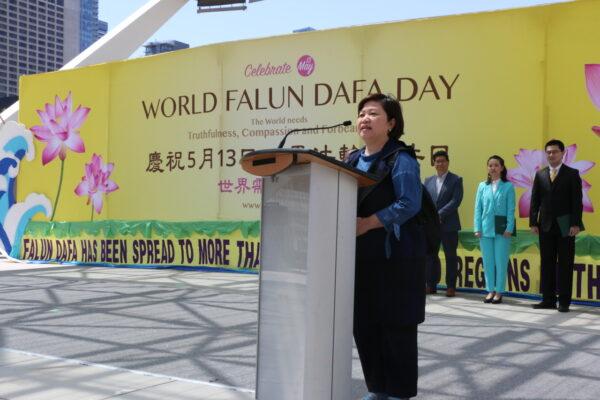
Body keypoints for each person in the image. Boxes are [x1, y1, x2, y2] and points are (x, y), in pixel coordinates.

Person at [345, 93, 425, 400]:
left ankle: (399, 392)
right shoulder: (351, 160)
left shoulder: (400, 160)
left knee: (395, 328)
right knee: (365, 326)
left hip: (396, 262)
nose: (365, 118)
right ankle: (377, 388)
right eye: (362, 113)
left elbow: (409, 203)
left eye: (373, 114)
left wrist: (368, 223)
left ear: (391, 124)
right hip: (360, 260)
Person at [530, 139, 583, 312]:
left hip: (566, 225)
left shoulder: (572, 174)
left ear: (562, 153)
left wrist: (575, 224)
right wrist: (533, 222)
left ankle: (564, 302)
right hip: (545, 226)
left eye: (554, 152)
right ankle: (548, 299)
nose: (551, 155)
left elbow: (577, 202)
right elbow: (535, 200)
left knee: (566, 264)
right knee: (547, 263)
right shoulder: (540, 174)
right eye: (548, 152)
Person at [473, 155, 515, 304]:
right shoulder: (482, 186)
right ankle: (490, 290)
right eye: (490, 165)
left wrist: (509, 227)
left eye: (496, 165)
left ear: (502, 168)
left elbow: (511, 209)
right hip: (485, 230)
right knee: (488, 262)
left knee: (501, 261)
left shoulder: (508, 186)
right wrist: (477, 228)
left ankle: (499, 291)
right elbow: (478, 209)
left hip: (502, 231)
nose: (493, 168)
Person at [423, 150, 463, 296]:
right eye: (437, 161)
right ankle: (430, 284)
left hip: (449, 225)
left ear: (448, 162)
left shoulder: (456, 179)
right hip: (431, 226)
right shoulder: (428, 181)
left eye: (443, 161)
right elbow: (425, 202)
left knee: (450, 256)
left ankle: (451, 286)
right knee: (431, 256)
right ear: (434, 163)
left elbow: (456, 200)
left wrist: (439, 214)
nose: (440, 164)